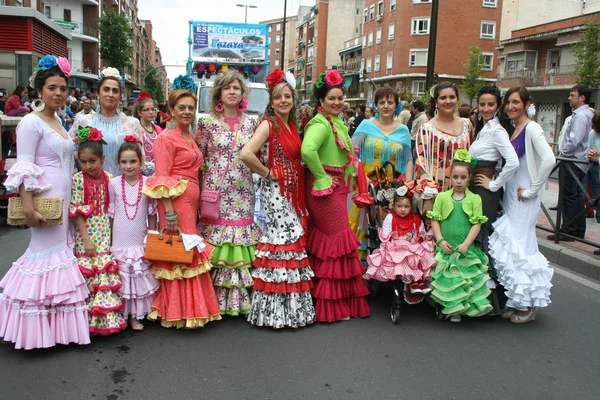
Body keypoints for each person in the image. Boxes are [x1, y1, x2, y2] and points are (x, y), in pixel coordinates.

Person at [0, 55, 90, 350]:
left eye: (63, 88)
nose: (59, 93)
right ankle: (34, 328)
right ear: (40, 91)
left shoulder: (59, 121)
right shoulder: (30, 122)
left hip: (64, 201)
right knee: (45, 259)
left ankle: (55, 329)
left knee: (59, 257)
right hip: (44, 201)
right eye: (52, 87)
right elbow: (24, 167)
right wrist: (28, 208)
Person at [240, 68, 316, 328]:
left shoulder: (292, 125)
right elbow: (246, 154)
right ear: (271, 103)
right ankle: (275, 312)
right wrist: (268, 172)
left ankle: (291, 311)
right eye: (278, 97)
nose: (283, 101)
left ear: (293, 99)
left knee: (291, 244)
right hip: (277, 194)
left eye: (287, 96)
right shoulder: (268, 124)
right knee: (282, 244)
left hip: (293, 191)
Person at [143, 85, 221, 328]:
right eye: (182, 108)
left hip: (191, 201)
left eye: (191, 108)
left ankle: (190, 307)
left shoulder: (189, 135)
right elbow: (162, 177)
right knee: (180, 252)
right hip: (176, 204)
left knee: (187, 250)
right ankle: (180, 310)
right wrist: (169, 212)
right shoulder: (165, 138)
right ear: (171, 110)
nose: (187, 111)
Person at [301, 69, 370, 322]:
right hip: (325, 190)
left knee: (332, 242)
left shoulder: (336, 122)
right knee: (336, 242)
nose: (337, 102)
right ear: (321, 101)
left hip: (336, 189)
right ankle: (329, 306)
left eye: (340, 98)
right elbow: (308, 150)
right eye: (332, 98)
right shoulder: (320, 123)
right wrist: (321, 177)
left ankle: (329, 301)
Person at [196, 70, 262, 317]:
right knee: (217, 240)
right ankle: (211, 298)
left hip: (244, 192)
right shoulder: (206, 122)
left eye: (236, 88)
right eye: (227, 88)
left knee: (239, 241)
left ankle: (238, 299)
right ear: (219, 94)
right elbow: (199, 159)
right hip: (215, 192)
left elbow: (258, 156)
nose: (232, 91)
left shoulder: (253, 123)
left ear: (243, 93)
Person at [489, 87, 555, 323]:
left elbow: (549, 159)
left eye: (516, 102)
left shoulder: (532, 128)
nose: (510, 106)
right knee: (512, 248)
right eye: (508, 102)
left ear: (527, 104)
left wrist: (532, 190)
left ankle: (527, 305)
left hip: (524, 197)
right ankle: (517, 301)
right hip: (512, 196)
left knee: (520, 248)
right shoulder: (515, 128)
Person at [70, 127, 126, 335]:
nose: (87, 166)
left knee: (104, 273)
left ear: (102, 159)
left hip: (105, 229)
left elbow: (112, 208)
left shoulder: (109, 177)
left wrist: (113, 232)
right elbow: (77, 211)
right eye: (83, 162)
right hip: (88, 232)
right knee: (90, 274)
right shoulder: (78, 179)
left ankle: (104, 321)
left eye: (91, 161)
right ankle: (85, 323)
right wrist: (85, 238)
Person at [427, 151, 493, 322]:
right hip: (447, 246)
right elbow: (435, 220)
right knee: (450, 278)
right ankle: (452, 308)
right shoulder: (442, 197)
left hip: (464, 248)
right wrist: (440, 240)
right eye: (455, 176)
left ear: (469, 178)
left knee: (465, 278)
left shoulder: (474, 199)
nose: (458, 181)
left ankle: (464, 308)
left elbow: (476, 224)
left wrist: (466, 244)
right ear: (450, 177)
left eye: (463, 177)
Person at [350, 86, 413, 260]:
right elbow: (352, 152)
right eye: (381, 102)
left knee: (390, 229)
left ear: (396, 105)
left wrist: (409, 186)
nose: (386, 106)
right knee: (364, 227)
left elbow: (408, 159)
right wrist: (359, 177)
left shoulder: (403, 130)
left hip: (392, 188)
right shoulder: (366, 125)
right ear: (376, 105)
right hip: (367, 186)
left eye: (390, 102)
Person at [109, 138, 160, 331]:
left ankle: (137, 315)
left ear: (141, 162)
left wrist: (152, 235)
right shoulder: (113, 184)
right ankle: (123, 314)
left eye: (133, 161)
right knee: (123, 276)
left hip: (139, 236)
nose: (128, 166)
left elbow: (152, 212)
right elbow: (111, 214)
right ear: (118, 163)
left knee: (138, 275)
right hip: (120, 238)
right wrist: (110, 240)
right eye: (124, 162)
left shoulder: (148, 183)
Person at [470, 85, 519, 253]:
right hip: (474, 186)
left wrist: (494, 184)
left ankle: (486, 273)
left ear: (498, 106)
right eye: (482, 104)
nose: (485, 109)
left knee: (482, 229)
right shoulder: (484, 129)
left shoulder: (497, 131)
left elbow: (513, 161)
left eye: (490, 104)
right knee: (473, 228)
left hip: (485, 190)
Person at [364, 186, 435, 298]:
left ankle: (419, 281)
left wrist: (427, 233)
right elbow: (386, 236)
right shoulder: (390, 217)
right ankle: (411, 282)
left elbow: (422, 234)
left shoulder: (416, 218)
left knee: (422, 254)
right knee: (405, 257)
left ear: (411, 207)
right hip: (396, 248)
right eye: (399, 206)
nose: (403, 209)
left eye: (406, 206)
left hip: (413, 246)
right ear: (393, 206)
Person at [70, 67, 143, 177]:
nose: (110, 94)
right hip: (93, 187)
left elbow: (141, 158)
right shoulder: (84, 121)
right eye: (106, 89)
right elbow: (71, 149)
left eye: (115, 91)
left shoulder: (132, 123)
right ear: (98, 93)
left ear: (120, 95)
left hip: (123, 187)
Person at [416, 82, 472, 212]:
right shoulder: (426, 129)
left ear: (457, 99)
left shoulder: (467, 125)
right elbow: (420, 163)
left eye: (452, 97)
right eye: (443, 98)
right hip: (436, 191)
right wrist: (428, 195)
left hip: (463, 190)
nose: (448, 101)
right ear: (436, 102)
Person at [551, 85, 593, 241]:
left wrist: (562, 155)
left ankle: (568, 229)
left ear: (581, 98)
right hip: (578, 161)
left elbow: (574, 140)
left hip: (573, 161)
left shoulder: (581, 116)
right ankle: (576, 229)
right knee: (575, 196)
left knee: (569, 196)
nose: (569, 98)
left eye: (572, 95)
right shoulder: (587, 114)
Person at [133, 90, 162, 164]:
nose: (151, 112)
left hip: (158, 168)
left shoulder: (158, 129)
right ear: (139, 112)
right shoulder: (135, 130)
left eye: (152, 109)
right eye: (147, 110)